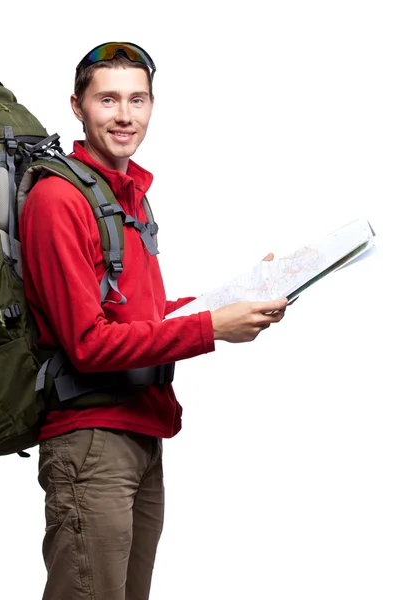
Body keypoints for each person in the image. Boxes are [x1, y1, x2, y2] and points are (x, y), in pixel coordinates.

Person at [19, 41, 288, 600]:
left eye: (137, 100)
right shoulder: (57, 200)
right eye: (108, 99)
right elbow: (89, 344)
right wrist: (212, 327)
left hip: (142, 432)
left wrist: (234, 297)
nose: (124, 116)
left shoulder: (128, 195)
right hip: (91, 441)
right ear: (77, 106)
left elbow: (137, 315)